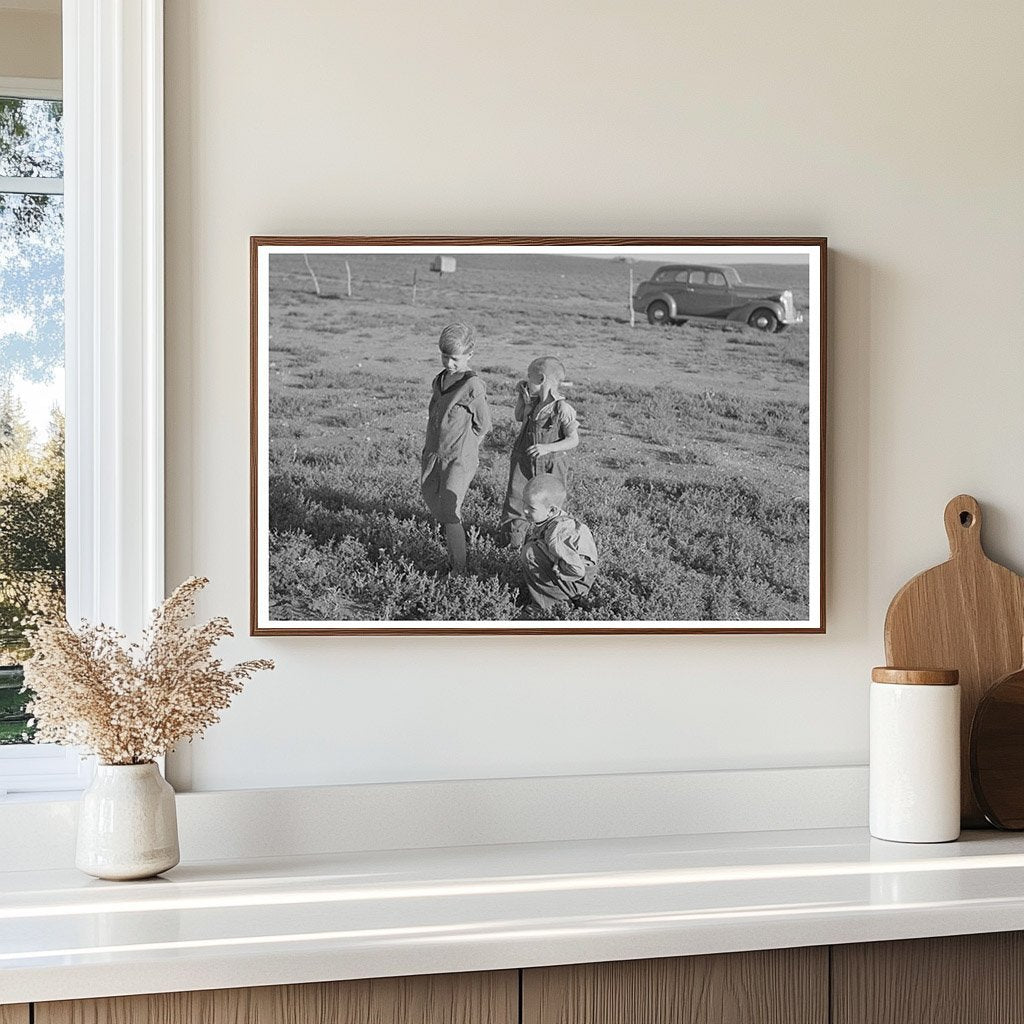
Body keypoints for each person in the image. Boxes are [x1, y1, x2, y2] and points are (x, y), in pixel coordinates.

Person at [420, 323, 491, 573]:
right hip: (434, 453)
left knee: (451, 512)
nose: (449, 363)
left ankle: (459, 570)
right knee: (434, 500)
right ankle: (449, 558)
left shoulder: (472, 385)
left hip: (457, 459)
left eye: (455, 359)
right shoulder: (440, 379)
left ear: (469, 355)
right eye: (445, 356)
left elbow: (483, 425)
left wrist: (466, 451)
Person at [501, 356, 579, 548]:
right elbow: (519, 416)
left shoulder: (562, 408)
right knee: (516, 500)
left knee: (549, 505)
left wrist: (548, 448)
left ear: (541, 379)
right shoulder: (533, 402)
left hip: (551, 463)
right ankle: (513, 544)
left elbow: (573, 440)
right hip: (524, 460)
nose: (526, 380)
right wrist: (522, 397)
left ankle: (548, 545)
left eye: (529, 377)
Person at [520, 473, 598, 612]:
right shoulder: (552, 519)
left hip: (577, 581)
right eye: (524, 503)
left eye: (531, 508)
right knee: (534, 545)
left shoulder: (557, 533)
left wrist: (558, 570)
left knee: (531, 552)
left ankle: (551, 605)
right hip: (575, 576)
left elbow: (577, 570)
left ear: (552, 510)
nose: (524, 510)